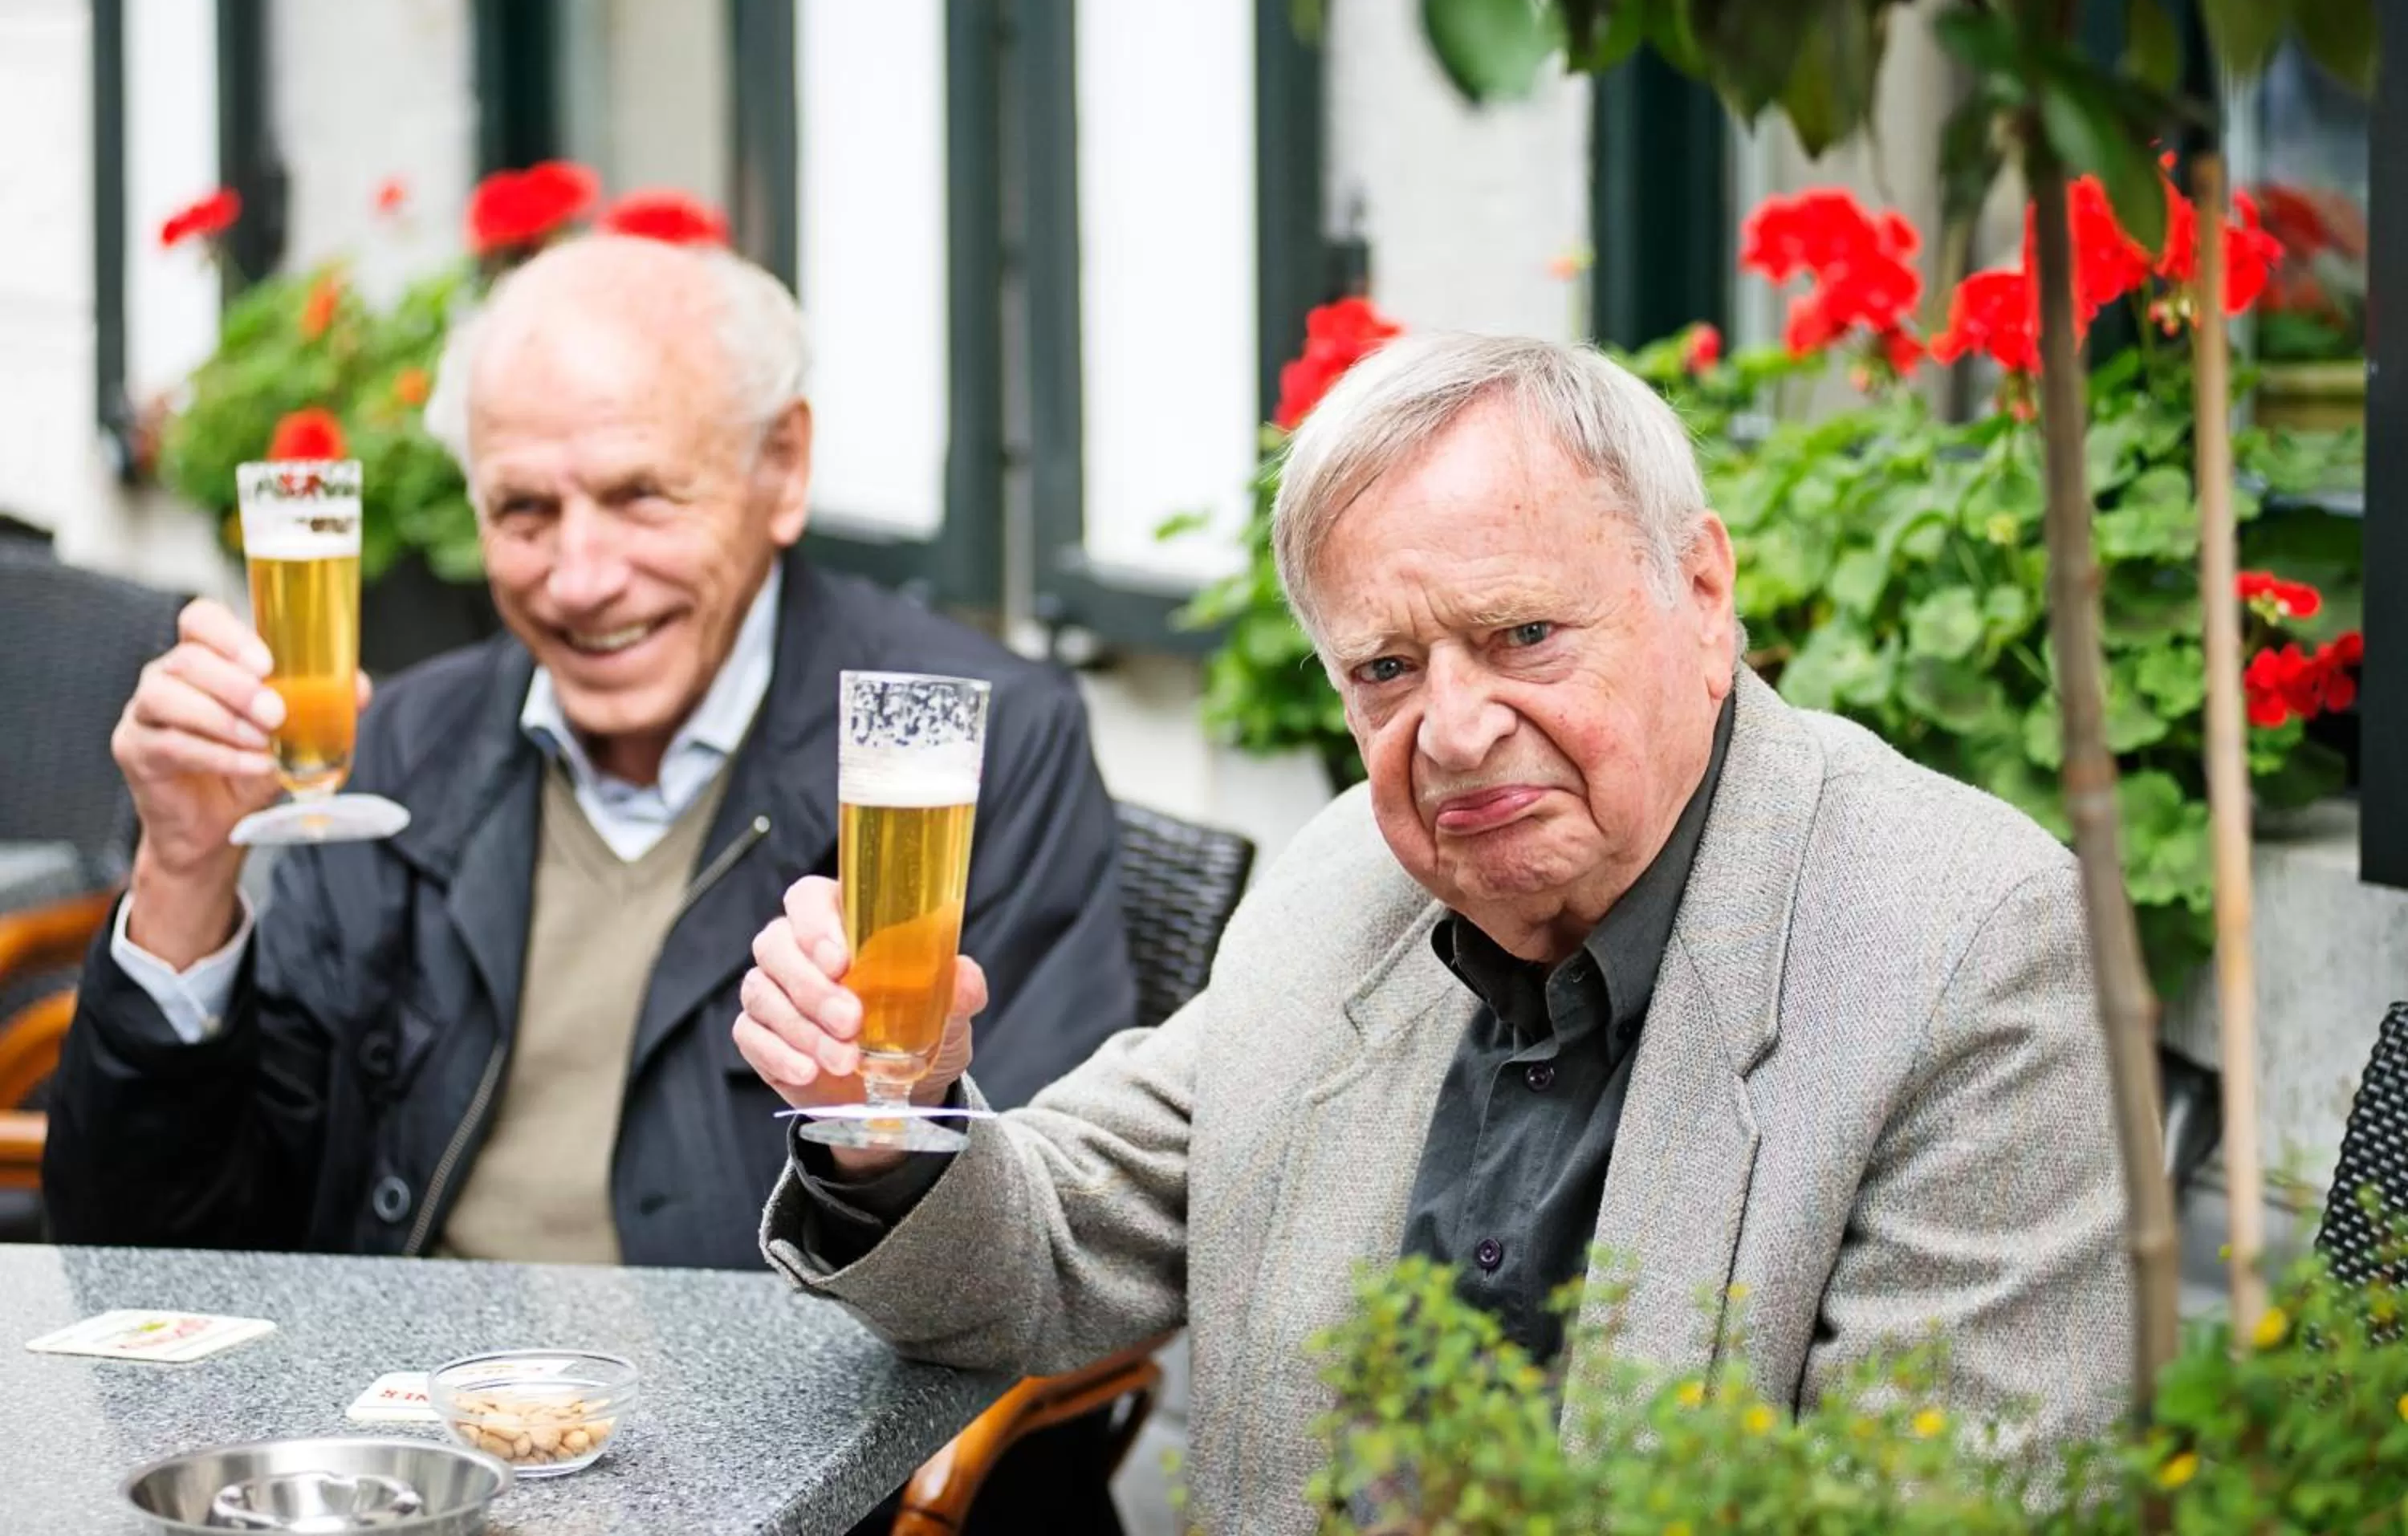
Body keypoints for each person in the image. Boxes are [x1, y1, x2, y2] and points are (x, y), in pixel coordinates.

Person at [738, 332, 2133, 1533]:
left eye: (1524, 633)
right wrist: (890, 1116)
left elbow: (1949, 1504)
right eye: (1388, 668)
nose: (1454, 732)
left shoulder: (1963, 943)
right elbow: (1049, 1245)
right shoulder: (1354, 872)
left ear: (1703, 600)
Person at [43, 233, 1136, 1271]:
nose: (579, 576)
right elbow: (150, 1252)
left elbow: (1046, 1255)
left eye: (638, 495)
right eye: (524, 511)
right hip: (414, 1433)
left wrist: (880, 1130)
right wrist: (182, 876)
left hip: (765, 1438)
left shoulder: (960, 753)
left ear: (783, 468)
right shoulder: (402, 749)